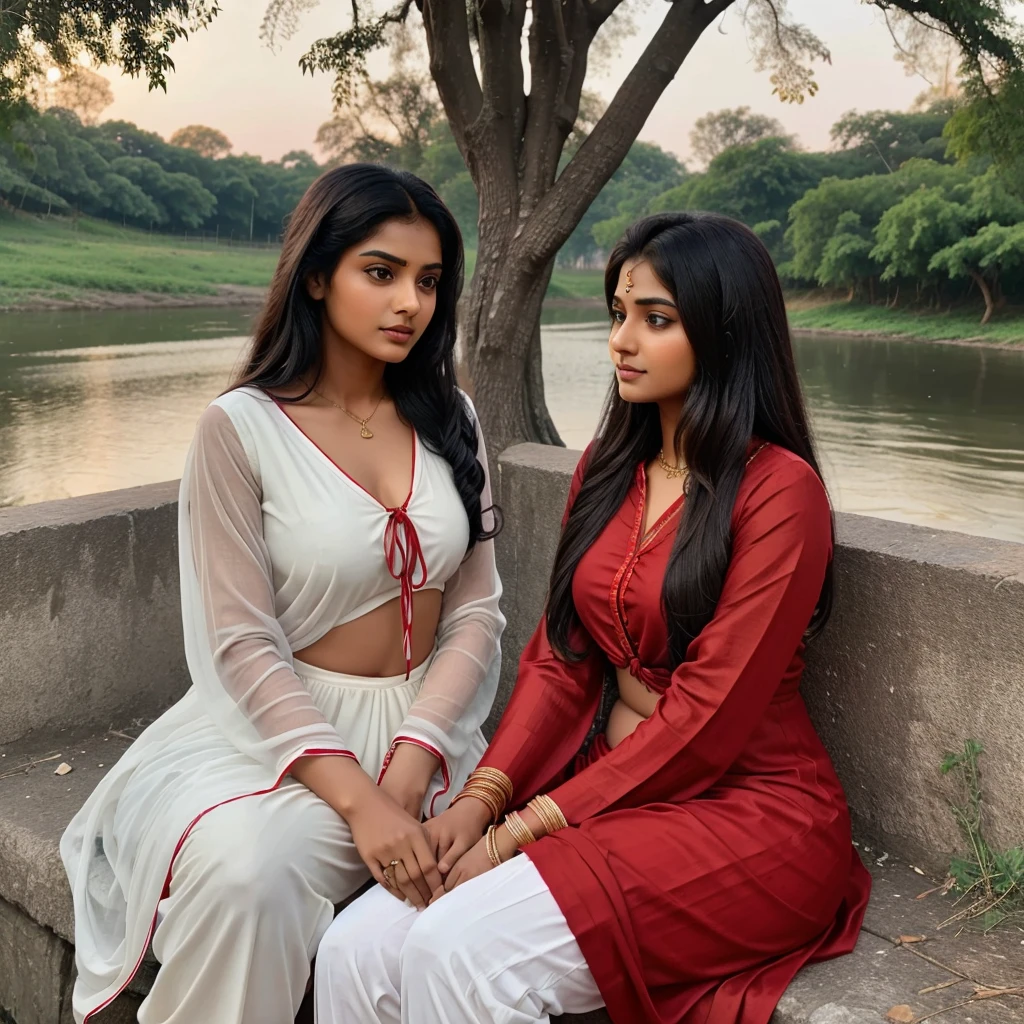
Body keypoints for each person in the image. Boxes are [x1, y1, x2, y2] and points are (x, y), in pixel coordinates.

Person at [314, 211, 872, 1024]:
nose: (622, 341)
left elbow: (709, 719)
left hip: (749, 812)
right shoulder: (610, 473)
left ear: (724, 331)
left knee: (459, 950)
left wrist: (513, 836)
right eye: (619, 314)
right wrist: (475, 805)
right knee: (356, 950)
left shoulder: (780, 493)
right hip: (603, 795)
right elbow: (558, 659)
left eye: (657, 320)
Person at [60, 164, 504, 1024]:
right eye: (381, 272)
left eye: (428, 280)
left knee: (469, 899)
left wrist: (412, 764)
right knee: (248, 879)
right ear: (315, 275)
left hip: (432, 730)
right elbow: (242, 641)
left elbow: (477, 609)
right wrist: (362, 801)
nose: (409, 301)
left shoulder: (454, 416)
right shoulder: (241, 429)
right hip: (287, 738)